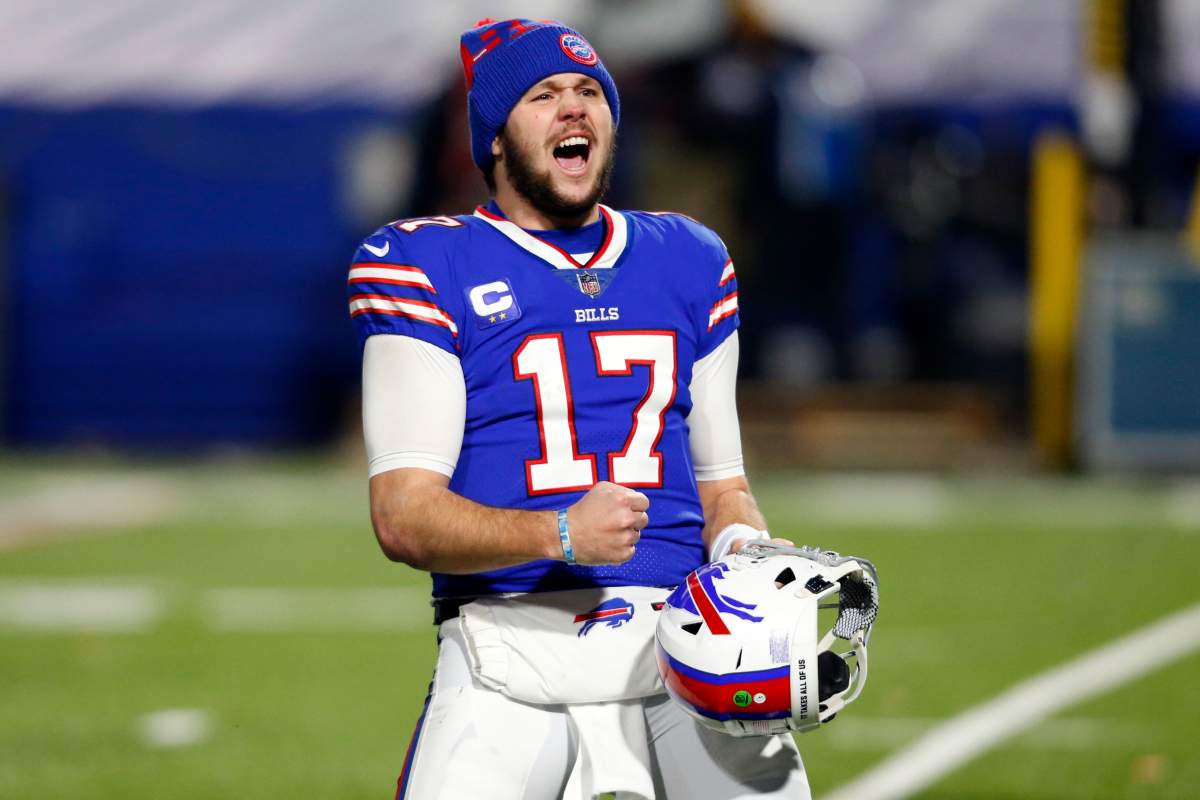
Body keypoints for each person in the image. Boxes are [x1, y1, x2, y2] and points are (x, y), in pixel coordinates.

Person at [348, 18, 811, 800]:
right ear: (495, 137)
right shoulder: (428, 263)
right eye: (544, 95)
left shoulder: (689, 258)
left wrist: (742, 551)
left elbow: (721, 485)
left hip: (684, 647)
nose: (574, 108)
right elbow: (403, 517)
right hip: (508, 646)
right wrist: (559, 533)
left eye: (589, 92)